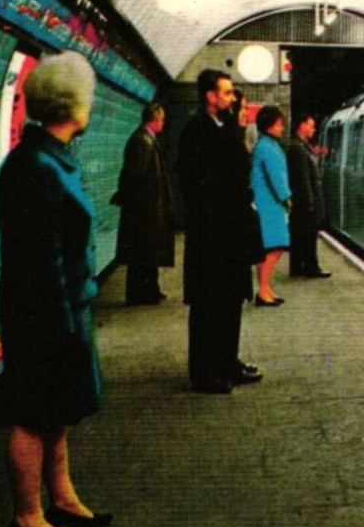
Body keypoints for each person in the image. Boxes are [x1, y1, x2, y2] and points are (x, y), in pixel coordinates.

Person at [0, 52, 112, 527]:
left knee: (57, 411)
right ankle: (27, 516)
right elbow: (39, 261)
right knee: (32, 411)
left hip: (63, 306)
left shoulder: (52, 158)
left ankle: (61, 500)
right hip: (41, 311)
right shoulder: (36, 168)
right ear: (73, 104)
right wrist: (61, 327)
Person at [177, 68, 261, 394]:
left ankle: (227, 361)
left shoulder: (222, 130)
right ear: (210, 97)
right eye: (226, 93)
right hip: (212, 239)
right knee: (208, 307)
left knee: (229, 303)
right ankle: (204, 373)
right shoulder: (196, 132)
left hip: (229, 236)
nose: (231, 98)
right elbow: (202, 190)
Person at [113, 101, 174, 305]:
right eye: (162, 119)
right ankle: (140, 293)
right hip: (144, 208)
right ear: (155, 119)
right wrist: (138, 205)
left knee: (147, 250)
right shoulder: (142, 141)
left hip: (147, 206)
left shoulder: (145, 139)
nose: (163, 123)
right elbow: (135, 175)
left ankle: (149, 290)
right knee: (142, 252)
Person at [250, 105, 292, 306]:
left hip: (267, 203)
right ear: (268, 126)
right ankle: (263, 290)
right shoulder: (267, 147)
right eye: (278, 124)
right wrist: (287, 198)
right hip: (270, 205)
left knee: (268, 248)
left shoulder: (265, 144)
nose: (282, 128)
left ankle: (265, 288)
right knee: (274, 248)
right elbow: (277, 177)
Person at [286, 113, 331, 278]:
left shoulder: (300, 146)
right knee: (307, 235)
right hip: (306, 202)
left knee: (301, 235)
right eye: (311, 126)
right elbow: (302, 178)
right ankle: (311, 268)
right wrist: (309, 202)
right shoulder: (298, 148)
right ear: (302, 126)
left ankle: (299, 267)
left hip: (304, 200)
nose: (313, 129)